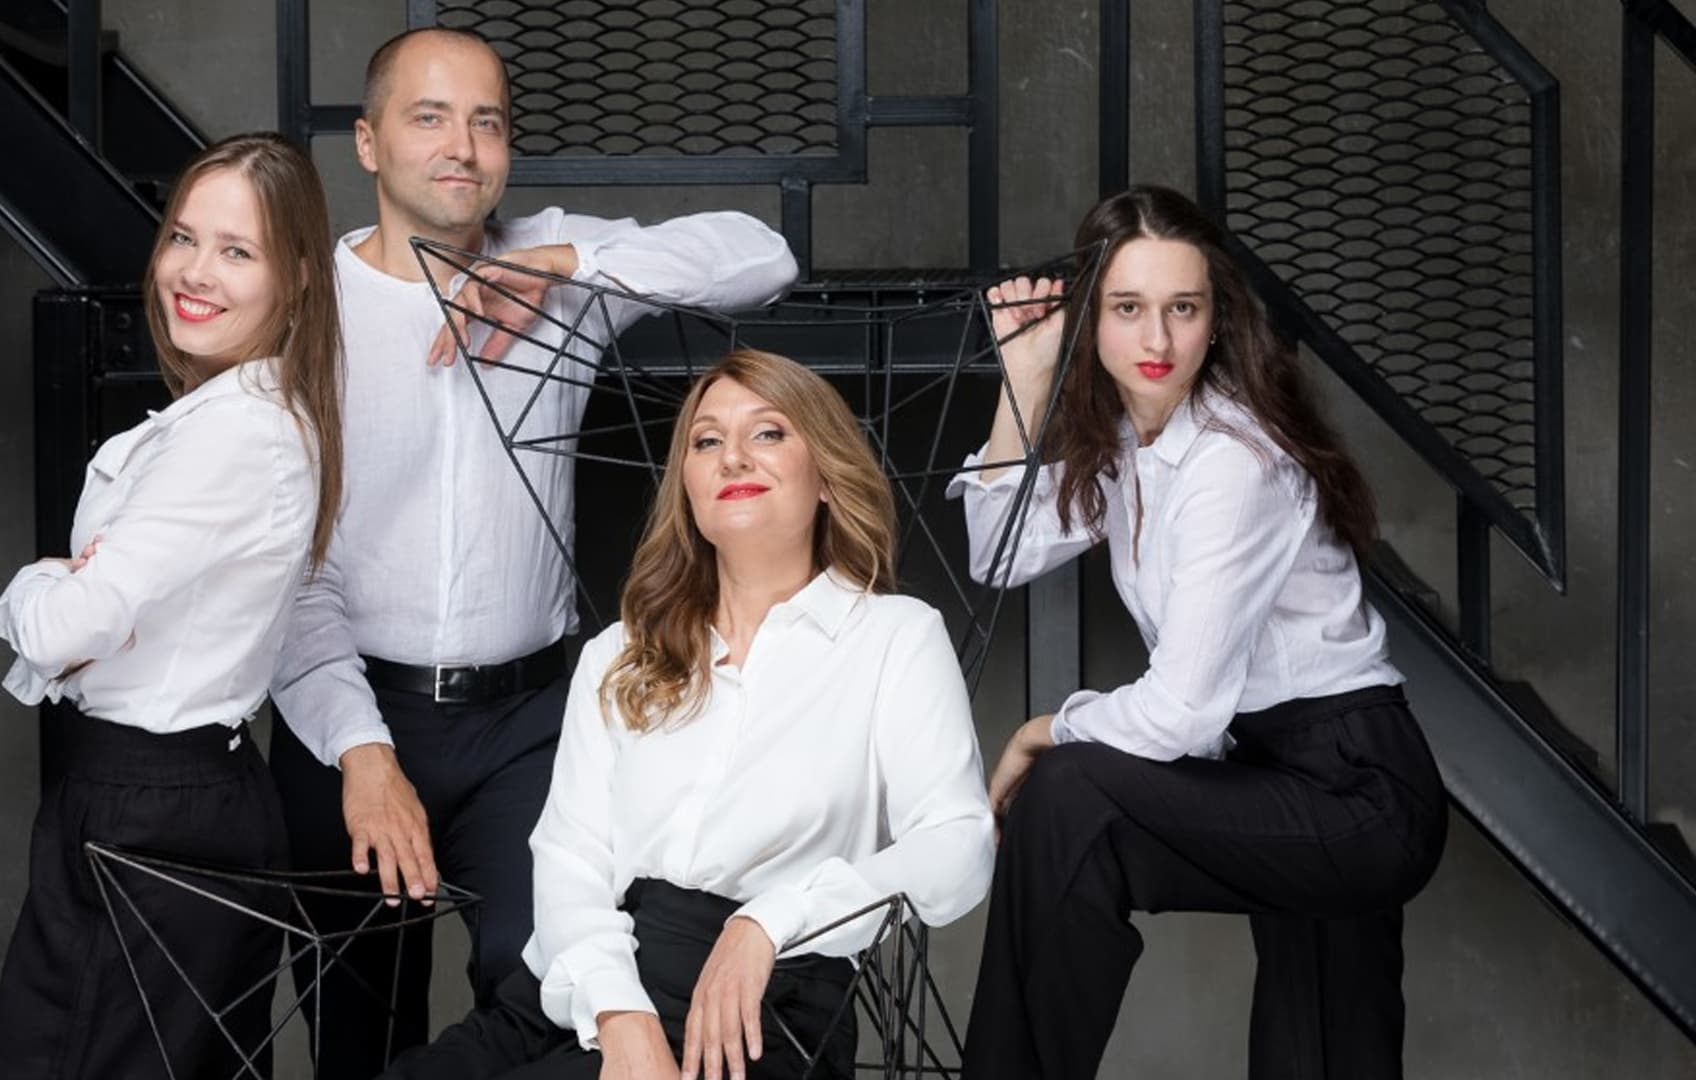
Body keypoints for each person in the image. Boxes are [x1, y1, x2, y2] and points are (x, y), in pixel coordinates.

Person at [267, 26, 801, 1076]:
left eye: (488, 122)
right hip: (345, 709)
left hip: (527, 725)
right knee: (356, 1024)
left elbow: (762, 257)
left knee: (550, 996)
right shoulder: (306, 308)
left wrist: (557, 264)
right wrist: (361, 753)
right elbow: (289, 571)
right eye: (429, 118)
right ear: (369, 144)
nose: (462, 146)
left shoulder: (560, 265)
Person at [376, 347, 993, 1080]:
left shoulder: (893, 638)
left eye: (768, 432)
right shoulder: (620, 653)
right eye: (707, 441)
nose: (733, 456)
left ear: (827, 475)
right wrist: (621, 1013)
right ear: (690, 490)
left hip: (756, 1005)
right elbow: (571, 859)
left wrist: (770, 920)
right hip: (580, 985)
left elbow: (957, 843)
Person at [950, 185, 1447, 1080]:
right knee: (1326, 1052)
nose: (1158, 339)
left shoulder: (1230, 461)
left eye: (1183, 308)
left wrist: (1044, 729)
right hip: (1268, 768)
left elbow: (1180, 713)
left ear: (1217, 321)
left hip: (1354, 784)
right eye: (1127, 308)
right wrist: (1023, 381)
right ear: (1090, 319)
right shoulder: (1130, 447)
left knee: (1068, 797)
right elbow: (999, 551)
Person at [0, 133, 343, 1079]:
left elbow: (65, 628)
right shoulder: (243, 420)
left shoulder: (234, 436)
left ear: (297, 278)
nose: (195, 272)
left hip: (153, 807)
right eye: (183, 237)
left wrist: (40, 580)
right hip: (176, 798)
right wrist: (76, 595)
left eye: (237, 251)